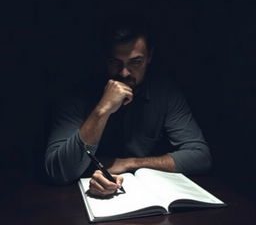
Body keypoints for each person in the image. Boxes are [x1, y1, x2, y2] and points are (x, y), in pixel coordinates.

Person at [45, 14, 212, 196]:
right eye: (115, 62)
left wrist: (127, 163)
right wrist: (102, 110)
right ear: (104, 59)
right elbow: (58, 171)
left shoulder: (166, 92)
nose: (124, 72)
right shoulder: (77, 95)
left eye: (135, 62)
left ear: (150, 56)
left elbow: (200, 157)